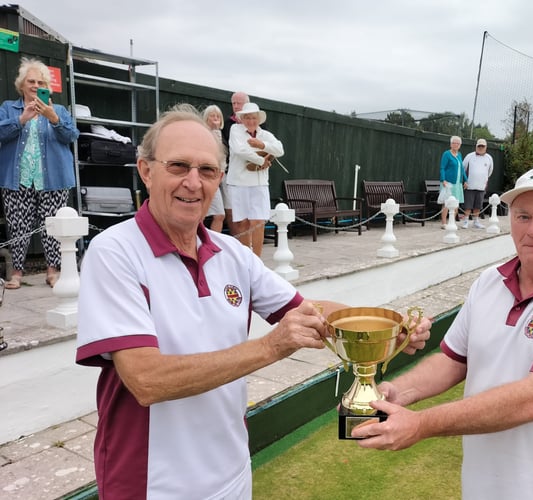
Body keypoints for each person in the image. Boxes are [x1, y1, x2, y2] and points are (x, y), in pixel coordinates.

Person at [75, 106, 433, 499]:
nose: (193, 183)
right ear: (146, 170)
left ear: (220, 180)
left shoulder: (232, 253)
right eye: (178, 166)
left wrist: (390, 326)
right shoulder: (114, 251)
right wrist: (270, 346)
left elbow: (308, 310)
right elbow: (145, 381)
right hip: (151, 484)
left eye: (208, 171)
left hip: (231, 474)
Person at [353, 165, 533, 499]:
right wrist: (393, 393)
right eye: (522, 216)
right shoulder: (489, 282)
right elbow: (454, 360)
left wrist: (420, 424)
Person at [0, 57, 79, 289]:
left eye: (41, 82)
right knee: (18, 225)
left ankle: (52, 271)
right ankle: (16, 273)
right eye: (31, 81)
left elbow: (72, 136)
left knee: (52, 226)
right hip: (18, 180)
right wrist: (21, 119)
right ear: (22, 84)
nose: (36, 86)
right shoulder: (8, 108)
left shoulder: (59, 110)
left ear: (47, 87)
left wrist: (53, 118)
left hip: (53, 179)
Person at [227, 102, 283, 257]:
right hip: (239, 183)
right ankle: (247, 260)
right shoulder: (235, 130)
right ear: (242, 119)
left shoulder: (264, 135)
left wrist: (262, 144)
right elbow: (240, 150)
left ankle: (257, 261)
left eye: (254, 118)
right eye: (248, 118)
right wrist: (261, 161)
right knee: (242, 223)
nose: (251, 121)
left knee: (258, 223)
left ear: (258, 119)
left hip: (259, 184)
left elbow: (280, 149)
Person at [221, 91, 250, 236]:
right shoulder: (227, 124)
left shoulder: (258, 124)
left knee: (248, 208)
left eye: (239, 103)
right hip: (231, 172)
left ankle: (249, 239)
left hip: (250, 173)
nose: (236, 106)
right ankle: (236, 240)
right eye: (234, 103)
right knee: (231, 207)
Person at [202, 104, 226, 232]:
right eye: (212, 116)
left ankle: (214, 242)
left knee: (219, 214)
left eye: (218, 116)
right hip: (208, 175)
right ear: (207, 118)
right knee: (201, 213)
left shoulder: (221, 134)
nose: (216, 118)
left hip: (220, 175)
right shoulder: (204, 134)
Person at [461, 138, 494, 229]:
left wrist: (484, 179)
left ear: (486, 147)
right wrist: (465, 181)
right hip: (469, 185)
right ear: (476, 146)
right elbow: (463, 169)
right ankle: (466, 221)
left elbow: (490, 171)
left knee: (478, 205)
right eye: (479, 146)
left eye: (482, 146)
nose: (480, 148)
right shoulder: (469, 156)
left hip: (481, 185)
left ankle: (476, 221)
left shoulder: (489, 158)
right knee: (468, 205)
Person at [438, 135, 467, 229]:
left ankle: (452, 222)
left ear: (460, 145)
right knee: (447, 203)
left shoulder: (459, 155)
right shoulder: (446, 154)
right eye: (454, 143)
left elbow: (462, 169)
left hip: (458, 183)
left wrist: (465, 180)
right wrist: (443, 180)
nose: (456, 145)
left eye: (458, 143)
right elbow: (442, 168)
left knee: (456, 204)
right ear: (451, 144)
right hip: (448, 183)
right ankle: (443, 223)